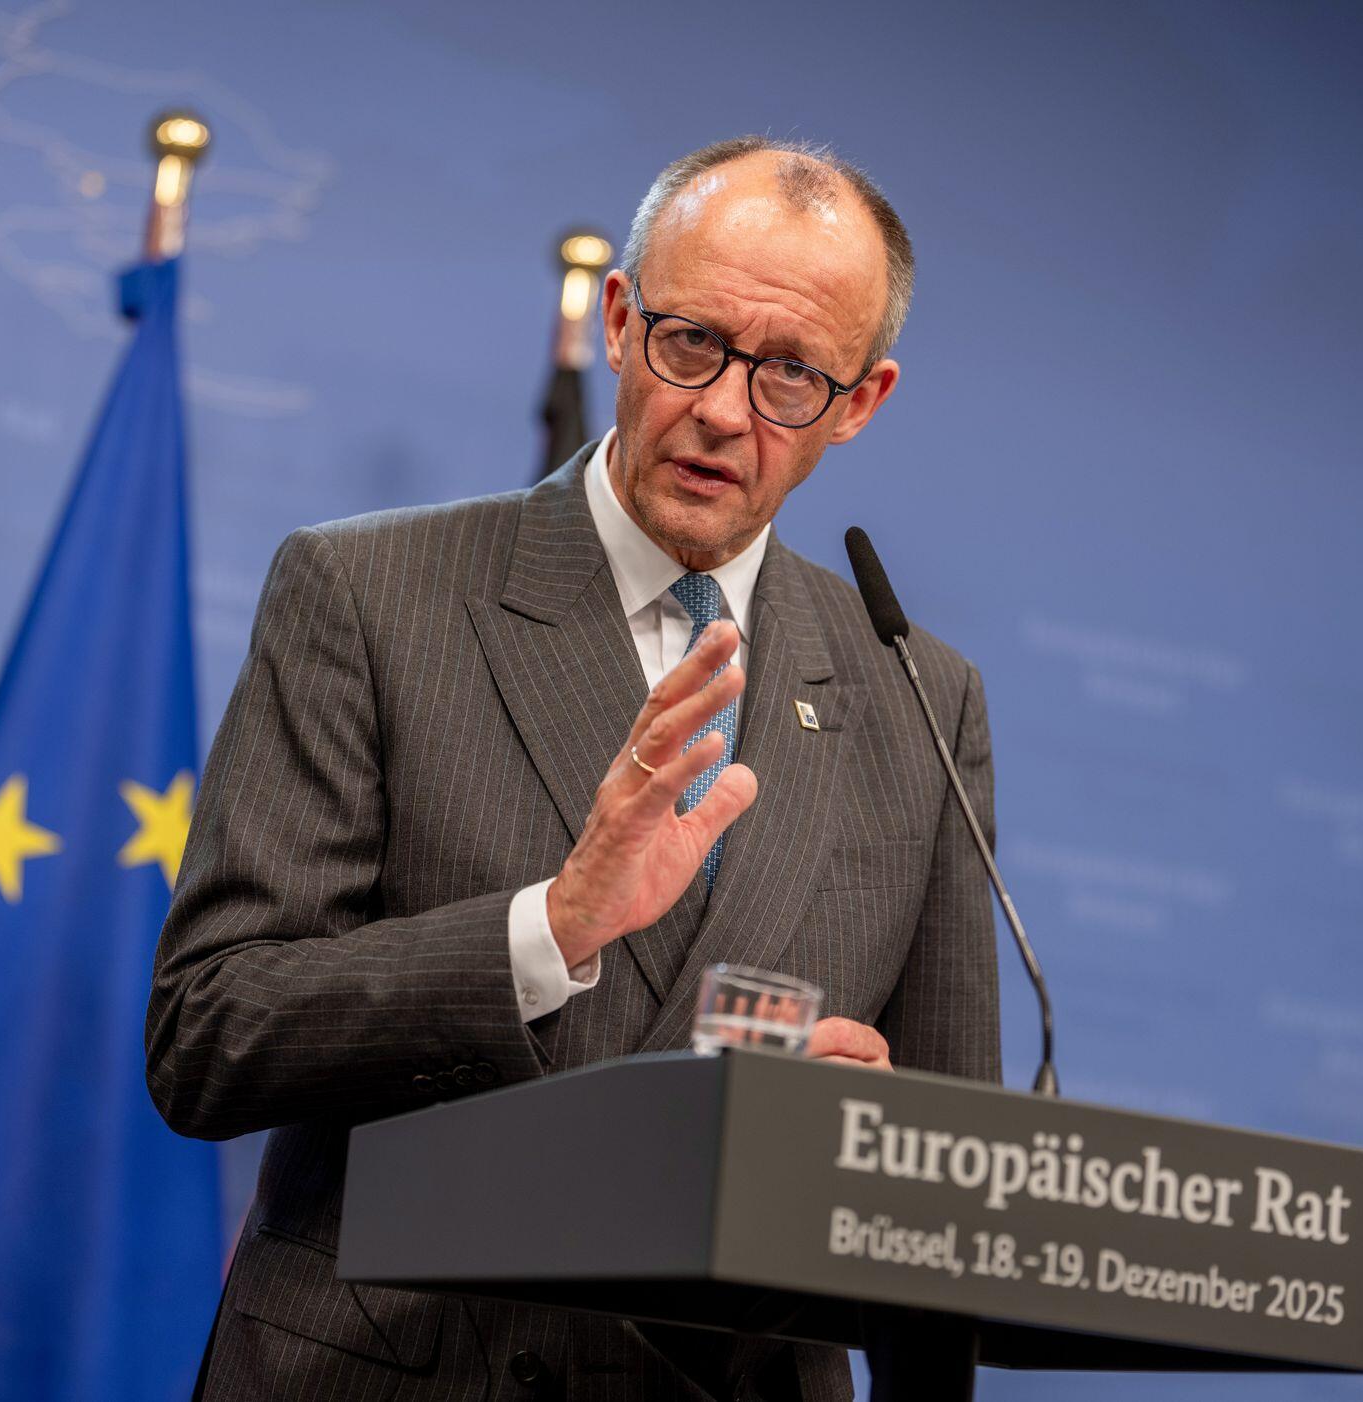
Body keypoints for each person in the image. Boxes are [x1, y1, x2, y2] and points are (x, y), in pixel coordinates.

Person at [146, 135, 1003, 1401]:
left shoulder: (918, 696)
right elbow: (208, 1032)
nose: (723, 410)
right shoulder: (367, 593)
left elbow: (946, 1228)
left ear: (859, 402)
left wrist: (861, 1149)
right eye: (690, 343)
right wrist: (547, 929)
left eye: (788, 375)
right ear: (616, 320)